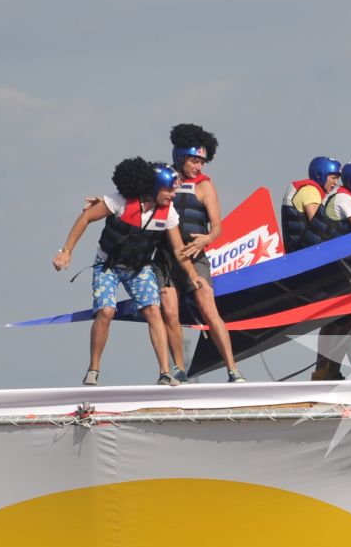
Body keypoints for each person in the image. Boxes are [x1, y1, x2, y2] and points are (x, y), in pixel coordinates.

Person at [54, 157, 192, 386]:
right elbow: (86, 217)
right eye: (168, 190)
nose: (172, 195)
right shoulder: (120, 201)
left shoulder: (168, 213)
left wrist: (194, 276)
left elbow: (179, 249)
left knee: (153, 310)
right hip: (108, 265)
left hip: (138, 268)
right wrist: (66, 251)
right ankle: (93, 370)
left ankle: (165, 372)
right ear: (155, 188)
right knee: (106, 311)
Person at [160, 123, 245, 383]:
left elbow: (217, 226)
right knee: (169, 313)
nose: (199, 167)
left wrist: (206, 239)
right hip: (164, 259)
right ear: (180, 158)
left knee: (209, 309)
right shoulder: (163, 180)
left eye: (202, 162)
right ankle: (177, 369)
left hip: (195, 257)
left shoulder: (205, 186)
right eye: (195, 161)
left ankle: (233, 369)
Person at [306, 160, 351, 382]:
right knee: (340, 319)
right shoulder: (344, 198)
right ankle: (325, 371)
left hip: (335, 269)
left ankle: (328, 371)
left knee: (343, 320)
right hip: (322, 272)